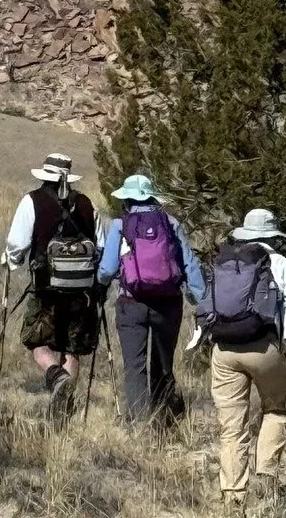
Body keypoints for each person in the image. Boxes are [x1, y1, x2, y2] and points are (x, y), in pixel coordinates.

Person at [196, 207, 286, 504]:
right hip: (264, 348)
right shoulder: (275, 261)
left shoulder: (225, 260)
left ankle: (233, 494)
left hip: (224, 349)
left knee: (232, 426)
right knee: (275, 409)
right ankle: (266, 476)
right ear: (272, 235)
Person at [97, 173, 205, 423]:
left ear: (127, 200)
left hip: (131, 303)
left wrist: (101, 286)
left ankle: (141, 423)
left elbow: (107, 269)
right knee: (163, 364)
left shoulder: (120, 225)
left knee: (135, 366)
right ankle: (164, 417)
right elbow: (189, 265)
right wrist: (202, 301)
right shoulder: (171, 223)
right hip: (168, 304)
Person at [3, 153, 103, 409]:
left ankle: (57, 378)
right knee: (72, 348)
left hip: (45, 288)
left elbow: (17, 244)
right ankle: (65, 407)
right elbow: (100, 246)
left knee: (36, 341)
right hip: (82, 291)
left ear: (44, 174)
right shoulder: (87, 204)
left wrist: (11, 262)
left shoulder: (32, 201)